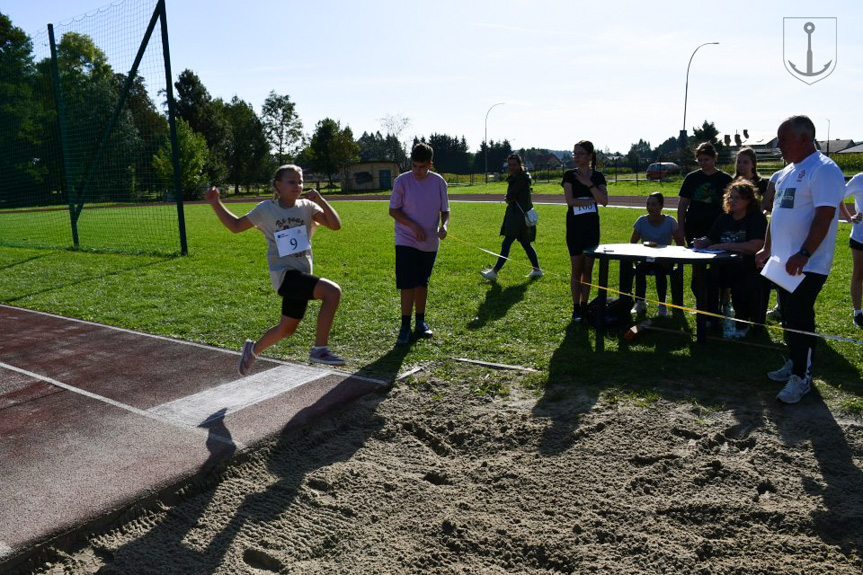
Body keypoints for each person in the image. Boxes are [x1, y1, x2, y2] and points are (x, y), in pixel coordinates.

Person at [205, 164, 345, 375]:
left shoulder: (308, 206)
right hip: (284, 275)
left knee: (287, 329)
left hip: (302, 273)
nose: (297, 186)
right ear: (278, 185)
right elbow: (235, 226)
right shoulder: (266, 209)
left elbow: (335, 225)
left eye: (300, 182)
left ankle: (252, 350)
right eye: (291, 182)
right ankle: (320, 349)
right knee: (332, 292)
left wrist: (321, 200)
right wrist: (216, 203)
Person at [755, 115, 846, 404]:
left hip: (807, 263)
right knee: (788, 316)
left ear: (804, 138)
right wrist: (767, 248)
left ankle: (802, 377)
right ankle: (794, 363)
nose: (778, 145)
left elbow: (824, 216)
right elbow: (776, 215)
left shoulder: (824, 170)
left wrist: (804, 253)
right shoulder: (786, 172)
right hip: (783, 262)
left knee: (800, 317)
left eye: (783, 139)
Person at [389, 142, 450, 346]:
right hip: (405, 239)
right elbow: (394, 211)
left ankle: (420, 322)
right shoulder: (402, 181)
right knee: (407, 283)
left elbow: (445, 211)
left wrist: (444, 226)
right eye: (414, 165)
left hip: (430, 241)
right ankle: (405, 326)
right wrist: (413, 226)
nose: (417, 170)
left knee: (422, 282)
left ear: (430, 164)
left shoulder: (439, 182)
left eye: (422, 166)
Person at [693, 179, 768, 338]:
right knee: (702, 281)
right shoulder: (724, 218)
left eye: (737, 198)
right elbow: (711, 238)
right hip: (722, 267)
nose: (732, 201)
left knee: (742, 287)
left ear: (748, 200)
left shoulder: (756, 219)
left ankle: (742, 323)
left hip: (748, 268)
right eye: (730, 197)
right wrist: (703, 242)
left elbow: (755, 246)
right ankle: (711, 317)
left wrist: (725, 246)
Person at [562, 140, 608, 322]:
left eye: (580, 153)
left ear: (590, 156)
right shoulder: (569, 175)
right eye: (574, 153)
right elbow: (570, 201)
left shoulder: (597, 177)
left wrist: (589, 184)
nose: (576, 156)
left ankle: (584, 305)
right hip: (575, 228)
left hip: (591, 228)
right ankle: (575, 308)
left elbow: (604, 200)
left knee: (588, 270)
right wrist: (592, 199)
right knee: (576, 269)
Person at [481, 154, 542, 281]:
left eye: (514, 165)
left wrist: (508, 198)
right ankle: (537, 269)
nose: (512, 167)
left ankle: (494, 272)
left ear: (520, 165)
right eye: (510, 165)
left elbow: (509, 197)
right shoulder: (522, 177)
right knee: (526, 244)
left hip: (517, 218)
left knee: (507, 243)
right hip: (521, 217)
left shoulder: (519, 179)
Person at [628, 192, 684, 316]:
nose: (650, 207)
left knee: (661, 272)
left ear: (661, 206)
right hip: (646, 259)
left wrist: (671, 259)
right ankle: (640, 302)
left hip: (664, 260)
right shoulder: (641, 221)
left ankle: (662, 304)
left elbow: (681, 244)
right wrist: (635, 260)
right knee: (640, 270)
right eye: (648, 204)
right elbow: (631, 244)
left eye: (653, 204)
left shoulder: (670, 221)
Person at [677, 142, 734, 246]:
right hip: (694, 226)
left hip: (717, 226)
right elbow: (683, 204)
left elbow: (733, 204)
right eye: (700, 160)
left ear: (714, 158)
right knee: (696, 259)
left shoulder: (725, 179)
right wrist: (681, 228)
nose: (703, 163)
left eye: (706, 159)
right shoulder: (691, 178)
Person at [842, 173, 863, 328]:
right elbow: (837, 196)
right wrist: (849, 217)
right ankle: (858, 313)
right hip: (860, 236)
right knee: (859, 273)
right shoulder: (859, 179)